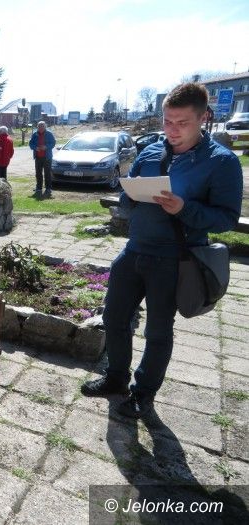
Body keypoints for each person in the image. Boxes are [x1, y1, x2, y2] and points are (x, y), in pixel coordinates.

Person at [80, 82, 243, 419]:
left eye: (182, 123)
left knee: (157, 330)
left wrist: (184, 208)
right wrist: (129, 196)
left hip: (174, 259)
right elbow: (128, 196)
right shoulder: (151, 152)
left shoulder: (221, 162)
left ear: (203, 118)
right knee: (113, 317)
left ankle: (143, 394)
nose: (172, 130)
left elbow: (226, 218)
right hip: (135, 250)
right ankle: (115, 378)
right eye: (168, 121)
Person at [28, 121, 56, 198]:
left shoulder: (49, 134)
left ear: (45, 127)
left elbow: (53, 143)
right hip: (38, 157)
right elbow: (31, 143)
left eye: (42, 126)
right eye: (39, 126)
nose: (40, 128)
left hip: (47, 157)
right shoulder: (35, 134)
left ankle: (48, 189)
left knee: (47, 173)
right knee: (38, 173)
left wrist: (46, 147)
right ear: (37, 127)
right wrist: (35, 148)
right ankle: (39, 188)